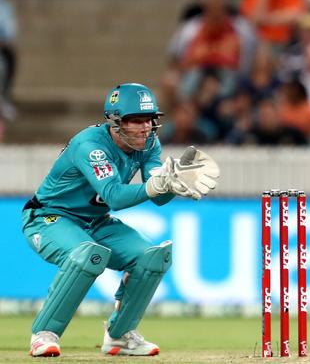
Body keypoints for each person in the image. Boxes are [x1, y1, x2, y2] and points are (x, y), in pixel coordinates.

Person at [21, 83, 220, 357]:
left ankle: (120, 336)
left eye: (149, 120)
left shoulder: (148, 142)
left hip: (95, 221)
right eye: (135, 121)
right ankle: (44, 334)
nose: (144, 128)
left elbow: (157, 193)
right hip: (48, 218)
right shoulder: (90, 146)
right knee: (87, 255)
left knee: (152, 257)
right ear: (115, 122)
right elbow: (114, 195)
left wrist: (173, 183)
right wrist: (158, 186)